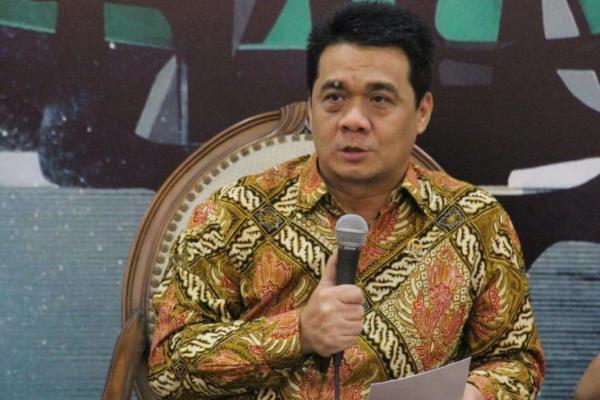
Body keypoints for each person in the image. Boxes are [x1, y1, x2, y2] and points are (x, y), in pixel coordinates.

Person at [147, 3, 545, 399]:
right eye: (335, 97)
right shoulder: (232, 214)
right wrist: (298, 333)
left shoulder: (475, 221)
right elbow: (167, 371)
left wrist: (474, 394)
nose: (353, 119)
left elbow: (516, 361)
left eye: (379, 99)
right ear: (311, 106)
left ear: (421, 112)